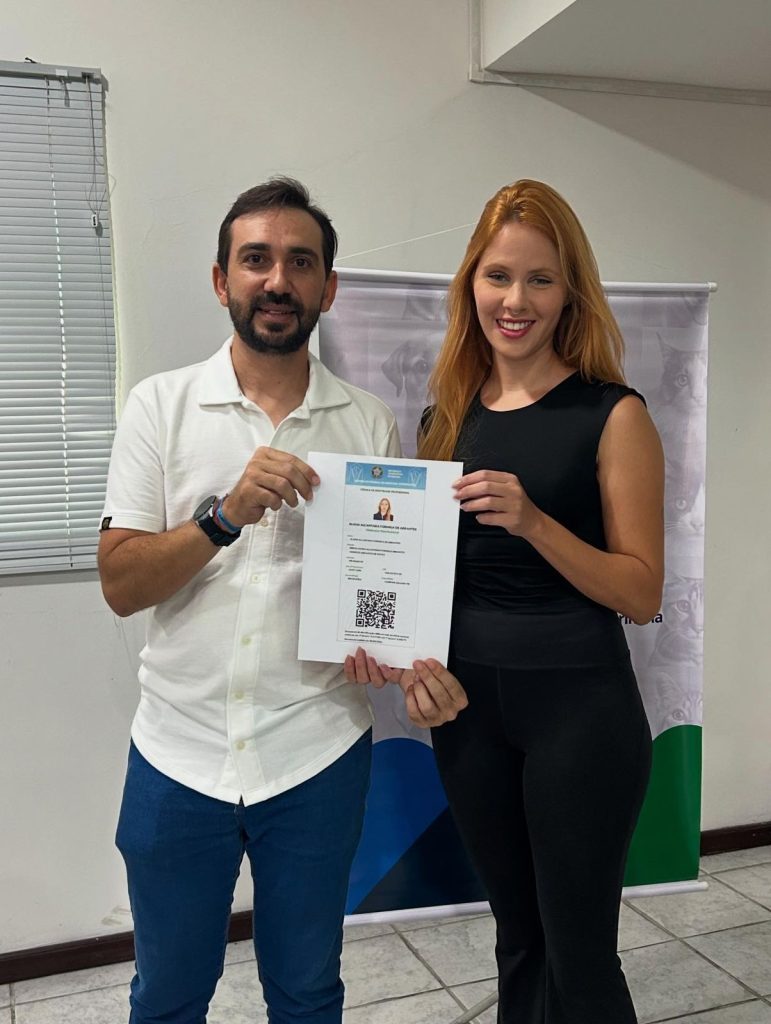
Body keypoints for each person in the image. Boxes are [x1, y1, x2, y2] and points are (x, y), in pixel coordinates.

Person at [97, 177, 467, 1024]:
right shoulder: (160, 405)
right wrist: (223, 514)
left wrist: (389, 656)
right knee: (167, 995)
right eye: (256, 260)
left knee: (307, 992)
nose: (277, 280)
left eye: (300, 263)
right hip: (177, 751)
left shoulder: (366, 423)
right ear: (220, 279)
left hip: (317, 750)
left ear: (326, 289)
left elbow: (376, 590)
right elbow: (121, 584)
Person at [348, 179, 664, 1023]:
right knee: (517, 940)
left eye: (539, 279)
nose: (514, 300)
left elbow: (640, 593)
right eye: (497, 276)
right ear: (470, 286)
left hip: (579, 713)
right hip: (468, 718)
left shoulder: (612, 414)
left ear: (569, 294)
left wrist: (535, 523)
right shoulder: (443, 419)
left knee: (579, 956)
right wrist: (399, 657)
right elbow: (420, 579)